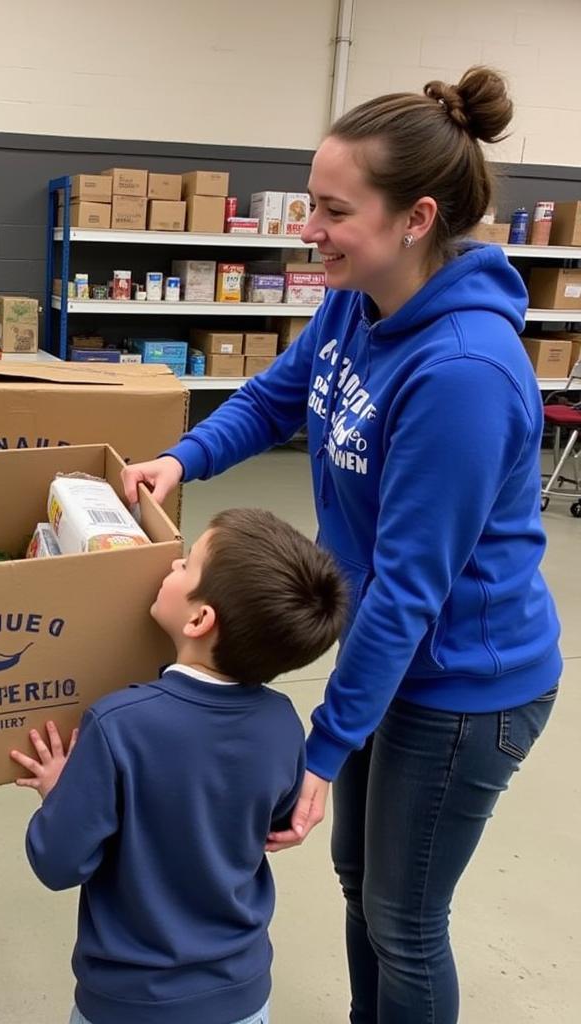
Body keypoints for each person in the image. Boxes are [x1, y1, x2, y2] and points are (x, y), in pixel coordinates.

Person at [122, 66, 561, 1024]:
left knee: (405, 917)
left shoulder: (463, 374)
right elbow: (277, 396)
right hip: (392, 657)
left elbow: (407, 590)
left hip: (463, 682)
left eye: (332, 209)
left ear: (416, 219)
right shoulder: (355, 303)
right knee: (363, 881)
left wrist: (318, 754)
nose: (308, 230)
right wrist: (179, 461)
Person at [11, 508, 348, 1024]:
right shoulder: (282, 722)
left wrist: (61, 790)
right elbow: (274, 821)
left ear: (199, 619)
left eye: (186, 565)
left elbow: (57, 862)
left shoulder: (117, 725)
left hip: (130, 1003)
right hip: (243, 994)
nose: (170, 566)